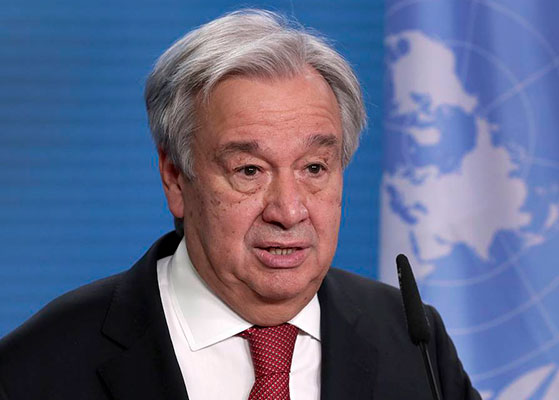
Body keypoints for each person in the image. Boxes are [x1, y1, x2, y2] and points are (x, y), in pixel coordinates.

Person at [0, 9, 480, 400]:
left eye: (314, 168)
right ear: (175, 178)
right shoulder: (39, 366)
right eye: (249, 170)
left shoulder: (413, 341)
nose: (288, 211)